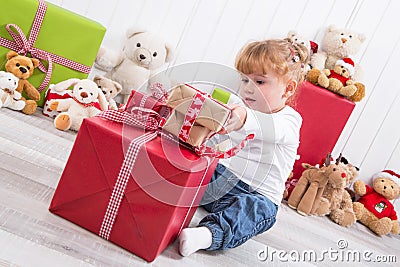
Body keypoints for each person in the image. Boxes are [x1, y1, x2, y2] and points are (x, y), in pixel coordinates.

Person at [179, 39, 310, 256]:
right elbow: (220, 143)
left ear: (287, 89)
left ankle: (206, 234)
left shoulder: (289, 120)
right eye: (244, 80)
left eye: (259, 82)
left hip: (258, 195)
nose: (248, 89)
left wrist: (243, 116)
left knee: (254, 212)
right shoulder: (241, 109)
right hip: (222, 178)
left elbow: (268, 127)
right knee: (194, 167)